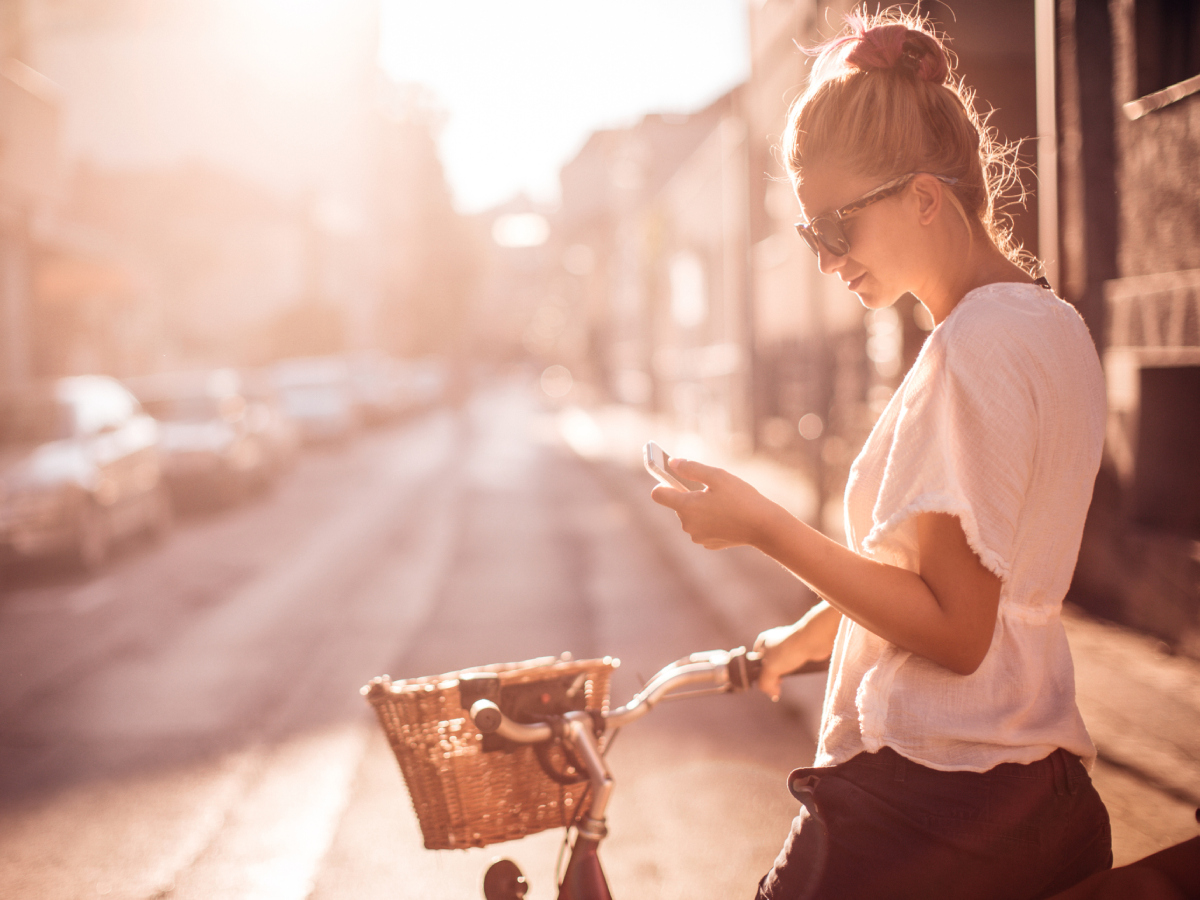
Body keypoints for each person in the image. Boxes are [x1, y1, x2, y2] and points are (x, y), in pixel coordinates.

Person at [650, 10, 1113, 900]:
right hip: (1047, 798)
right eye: (807, 235)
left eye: (834, 229)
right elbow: (972, 579)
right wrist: (795, 642)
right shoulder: (1051, 325)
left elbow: (954, 630)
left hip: (926, 810)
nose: (824, 261)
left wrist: (764, 527)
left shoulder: (969, 351)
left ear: (924, 198)